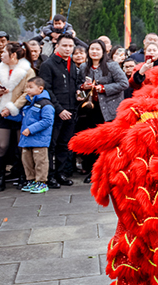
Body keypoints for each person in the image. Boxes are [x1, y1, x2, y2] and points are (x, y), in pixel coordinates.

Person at [77, 39, 129, 182]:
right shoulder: (83, 67)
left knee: (108, 142)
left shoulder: (111, 66)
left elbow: (124, 83)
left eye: (97, 49)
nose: (94, 52)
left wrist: (104, 89)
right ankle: (93, 172)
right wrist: (83, 88)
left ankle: (109, 171)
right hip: (91, 110)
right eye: (92, 49)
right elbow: (79, 85)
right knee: (94, 141)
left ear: (103, 51)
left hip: (109, 110)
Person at [0, 41, 36, 192]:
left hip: (20, 112)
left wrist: (12, 108)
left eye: (4, 52)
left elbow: (27, 92)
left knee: (21, 146)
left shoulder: (28, 71)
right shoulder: (0, 69)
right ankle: (1, 177)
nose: (1, 54)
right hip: (1, 112)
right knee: (2, 146)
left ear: (13, 55)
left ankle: (24, 176)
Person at [39, 34, 82, 188]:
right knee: (52, 144)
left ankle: (61, 174)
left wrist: (79, 93)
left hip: (71, 110)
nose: (68, 49)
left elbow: (75, 85)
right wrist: (59, 109)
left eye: (70, 46)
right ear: (57, 45)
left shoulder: (72, 64)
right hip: (55, 111)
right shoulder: (48, 64)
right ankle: (49, 176)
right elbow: (47, 90)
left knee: (65, 144)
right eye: (64, 45)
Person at [3, 77, 54, 194]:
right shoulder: (29, 103)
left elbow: (47, 121)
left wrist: (30, 129)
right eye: (27, 87)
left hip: (39, 140)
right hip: (26, 140)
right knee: (27, 161)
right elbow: (22, 117)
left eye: (30, 87)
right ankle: (31, 180)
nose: (27, 90)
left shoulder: (46, 104)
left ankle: (42, 182)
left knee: (40, 161)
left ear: (40, 89)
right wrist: (8, 115)